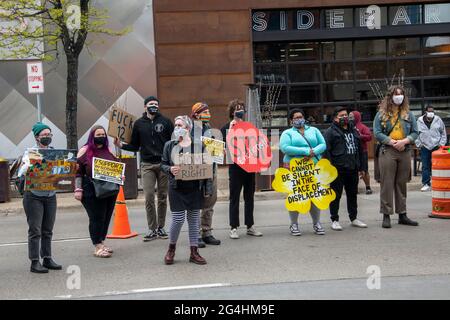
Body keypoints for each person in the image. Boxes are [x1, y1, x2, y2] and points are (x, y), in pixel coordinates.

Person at [114, 96, 174, 242]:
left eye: (156, 104)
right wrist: (121, 145)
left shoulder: (166, 122)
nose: (153, 106)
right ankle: (152, 229)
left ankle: (161, 227)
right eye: (150, 104)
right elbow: (135, 145)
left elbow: (173, 142)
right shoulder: (139, 124)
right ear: (145, 107)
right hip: (147, 165)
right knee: (148, 197)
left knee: (162, 197)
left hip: (163, 164)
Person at [161, 115, 213, 265]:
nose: (177, 128)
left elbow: (208, 167)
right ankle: (171, 249)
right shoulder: (169, 145)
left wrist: (208, 189)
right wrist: (170, 168)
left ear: (188, 128)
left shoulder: (199, 146)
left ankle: (194, 252)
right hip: (176, 188)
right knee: (177, 219)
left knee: (193, 220)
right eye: (176, 125)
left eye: (180, 125)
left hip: (194, 189)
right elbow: (163, 164)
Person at [18, 122, 62, 273]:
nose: (47, 137)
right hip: (33, 195)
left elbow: (61, 171)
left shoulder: (55, 152)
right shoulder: (30, 152)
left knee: (47, 230)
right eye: (44, 135)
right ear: (37, 137)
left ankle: (47, 258)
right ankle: (35, 262)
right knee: (35, 230)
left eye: (49, 135)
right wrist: (29, 163)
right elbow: (21, 172)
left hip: (50, 194)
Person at [373, 86, 419, 228]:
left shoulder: (408, 114)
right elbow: (377, 132)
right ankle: (386, 215)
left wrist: (405, 141)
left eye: (401, 94)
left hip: (404, 150)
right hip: (388, 150)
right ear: (390, 96)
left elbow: (415, 132)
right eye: (396, 94)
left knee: (401, 183)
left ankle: (402, 214)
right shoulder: (381, 114)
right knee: (386, 184)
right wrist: (392, 142)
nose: (399, 97)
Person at [280, 109, 327, 236]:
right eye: (296, 118)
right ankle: (294, 224)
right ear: (291, 120)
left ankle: (316, 223)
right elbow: (285, 148)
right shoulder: (287, 133)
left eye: (300, 117)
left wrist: (313, 152)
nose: (299, 119)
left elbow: (323, 144)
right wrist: (306, 151)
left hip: (313, 166)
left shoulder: (314, 130)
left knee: (314, 195)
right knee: (295, 196)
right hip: (294, 168)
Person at [75, 125, 120, 258]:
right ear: (92, 136)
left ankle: (101, 241)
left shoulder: (109, 150)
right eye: (98, 135)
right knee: (96, 218)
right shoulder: (85, 150)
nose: (101, 137)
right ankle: (97, 246)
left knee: (106, 217)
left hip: (109, 190)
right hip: (90, 190)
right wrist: (78, 189)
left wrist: (119, 175)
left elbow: (117, 165)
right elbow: (77, 171)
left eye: (103, 135)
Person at [221, 99, 263, 239]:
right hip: (235, 167)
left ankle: (250, 226)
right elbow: (223, 148)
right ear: (232, 111)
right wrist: (231, 130)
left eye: (242, 108)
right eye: (237, 108)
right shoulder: (225, 128)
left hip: (249, 166)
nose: (240, 111)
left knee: (249, 197)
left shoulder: (248, 126)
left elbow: (256, 144)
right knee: (234, 198)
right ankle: (233, 227)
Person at [324, 107, 368, 231]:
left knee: (352, 195)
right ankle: (335, 219)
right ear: (335, 118)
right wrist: (329, 170)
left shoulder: (354, 130)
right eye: (341, 115)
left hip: (352, 168)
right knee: (335, 196)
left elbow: (360, 150)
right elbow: (327, 152)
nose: (345, 117)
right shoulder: (330, 132)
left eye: (346, 115)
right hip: (337, 169)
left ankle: (353, 218)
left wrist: (361, 167)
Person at [191, 102, 221, 247]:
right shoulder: (189, 129)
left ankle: (207, 232)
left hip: (211, 168)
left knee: (210, 201)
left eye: (208, 111)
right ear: (196, 114)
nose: (208, 114)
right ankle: (195, 235)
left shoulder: (209, 128)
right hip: (197, 170)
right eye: (205, 111)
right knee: (196, 203)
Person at [415, 105, 447, 192]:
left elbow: (443, 133)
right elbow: (416, 134)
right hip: (425, 146)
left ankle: (437, 182)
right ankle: (426, 183)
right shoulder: (419, 121)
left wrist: (441, 144)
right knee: (425, 166)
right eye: (429, 111)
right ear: (425, 112)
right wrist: (419, 144)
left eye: (432, 111)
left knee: (437, 165)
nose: (431, 113)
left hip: (436, 146)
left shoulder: (438, 120)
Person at [350, 111, 373, 194]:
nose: (350, 118)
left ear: (356, 117)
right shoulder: (348, 127)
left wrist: (360, 136)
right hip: (352, 152)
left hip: (362, 152)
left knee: (364, 170)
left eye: (352, 116)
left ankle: (368, 187)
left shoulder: (362, 127)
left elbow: (369, 136)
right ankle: (354, 188)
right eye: (349, 116)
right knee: (353, 171)